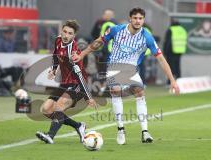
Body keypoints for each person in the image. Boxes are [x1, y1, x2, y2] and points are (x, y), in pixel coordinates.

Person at [73, 7, 180, 145]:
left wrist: (172, 80)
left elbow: (161, 59)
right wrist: (82, 54)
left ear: (143, 20)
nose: (137, 21)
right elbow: (98, 42)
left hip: (131, 70)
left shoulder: (147, 36)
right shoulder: (117, 30)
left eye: (140, 18)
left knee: (139, 92)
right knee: (116, 91)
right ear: (130, 18)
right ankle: (121, 129)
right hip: (114, 67)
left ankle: (145, 131)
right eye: (135, 18)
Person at [36, 20, 96, 144]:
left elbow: (79, 76)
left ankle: (50, 136)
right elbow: (55, 55)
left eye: (70, 33)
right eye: (64, 31)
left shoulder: (73, 52)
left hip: (77, 84)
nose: (66, 35)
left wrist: (88, 97)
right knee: (46, 110)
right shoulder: (58, 40)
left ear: (74, 36)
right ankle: (78, 126)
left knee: (59, 107)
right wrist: (53, 70)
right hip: (65, 83)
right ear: (61, 31)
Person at [91, 9, 117, 94]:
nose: (107, 16)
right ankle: (101, 86)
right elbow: (93, 34)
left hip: (109, 50)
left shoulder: (114, 24)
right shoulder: (99, 23)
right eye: (106, 14)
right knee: (100, 68)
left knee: (107, 68)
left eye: (109, 15)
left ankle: (107, 86)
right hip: (100, 49)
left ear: (112, 16)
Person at [163, 18, 187, 84]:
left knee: (170, 67)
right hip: (180, 51)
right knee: (177, 66)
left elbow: (167, 42)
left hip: (171, 51)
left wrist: (165, 52)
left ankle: (170, 82)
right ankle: (179, 81)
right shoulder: (182, 30)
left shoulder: (171, 30)